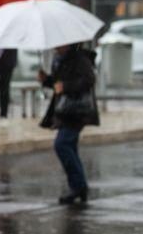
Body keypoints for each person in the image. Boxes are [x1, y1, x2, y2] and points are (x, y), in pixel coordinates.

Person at [38, 44, 99, 205]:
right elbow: (58, 84)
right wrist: (47, 80)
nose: (56, 47)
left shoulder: (79, 59)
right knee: (69, 146)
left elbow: (89, 80)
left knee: (62, 144)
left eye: (59, 45)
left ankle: (79, 186)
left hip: (77, 110)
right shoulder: (60, 60)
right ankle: (79, 187)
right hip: (66, 110)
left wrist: (66, 87)